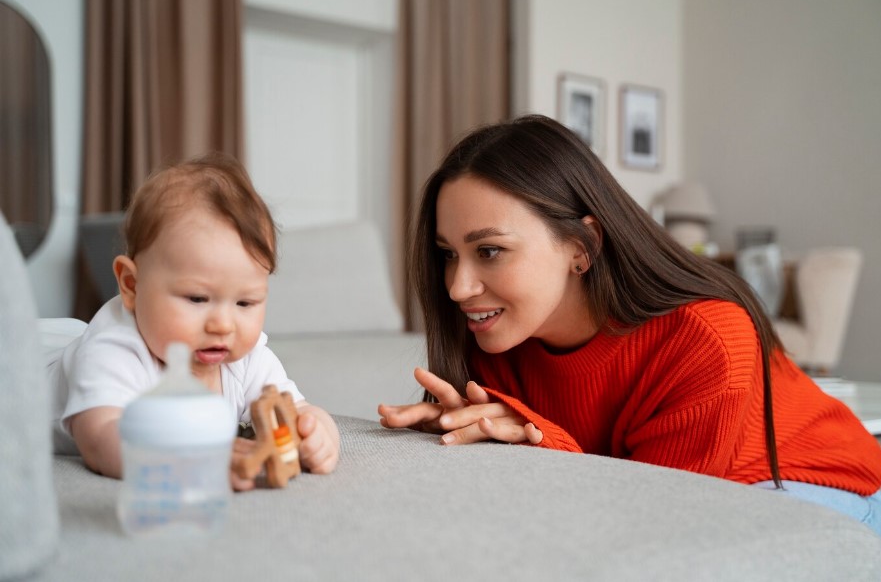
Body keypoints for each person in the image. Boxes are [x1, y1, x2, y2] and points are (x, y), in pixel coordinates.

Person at [378, 114, 881, 534]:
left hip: (811, 480)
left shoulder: (706, 338)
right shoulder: (496, 340)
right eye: (448, 255)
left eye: (490, 251)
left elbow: (655, 528)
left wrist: (543, 444)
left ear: (582, 247)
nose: (458, 288)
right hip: (691, 501)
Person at [51, 152, 339, 490]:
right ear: (131, 285)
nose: (223, 325)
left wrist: (318, 433)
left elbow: (296, 409)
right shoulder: (112, 350)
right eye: (197, 299)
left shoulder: (246, 360)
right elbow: (101, 440)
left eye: (245, 302)